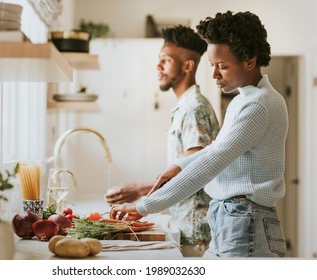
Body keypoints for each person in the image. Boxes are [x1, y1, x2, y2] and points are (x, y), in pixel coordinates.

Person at [110, 11, 289, 258]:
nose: (215, 74)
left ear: (249, 61)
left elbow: (213, 160)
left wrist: (145, 206)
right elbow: (215, 147)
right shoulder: (243, 100)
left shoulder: (258, 105)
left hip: (245, 221)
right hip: (231, 218)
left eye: (222, 67)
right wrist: (180, 165)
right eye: (213, 66)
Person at [105, 25, 220, 257]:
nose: (158, 66)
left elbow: (196, 169)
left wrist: (141, 190)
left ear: (188, 66)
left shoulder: (194, 108)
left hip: (196, 230)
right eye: (159, 59)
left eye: (165, 60)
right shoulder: (184, 106)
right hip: (185, 225)